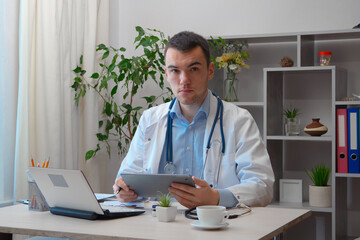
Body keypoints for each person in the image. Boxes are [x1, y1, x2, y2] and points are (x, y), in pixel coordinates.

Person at [113, 31, 274, 209]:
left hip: (218, 228)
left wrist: (216, 197)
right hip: (161, 226)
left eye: (194, 69)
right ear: (166, 74)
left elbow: (262, 186)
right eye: (175, 70)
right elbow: (127, 177)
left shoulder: (239, 120)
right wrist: (124, 191)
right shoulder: (150, 119)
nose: (184, 80)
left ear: (210, 71)